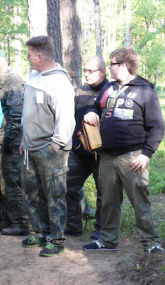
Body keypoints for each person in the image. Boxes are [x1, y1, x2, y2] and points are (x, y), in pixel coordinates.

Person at [82, 47, 165, 253]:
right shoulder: (108, 88)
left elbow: (157, 127)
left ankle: (150, 241)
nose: (109, 68)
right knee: (109, 201)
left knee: (139, 200)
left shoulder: (145, 91)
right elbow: (96, 106)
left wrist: (146, 155)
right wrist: (91, 113)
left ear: (125, 65)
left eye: (112, 64)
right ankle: (108, 240)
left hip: (133, 157)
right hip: (107, 156)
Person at [20, 36, 75, 257]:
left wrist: (56, 145)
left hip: (50, 149)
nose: (28, 57)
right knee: (32, 192)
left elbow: (66, 119)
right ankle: (40, 232)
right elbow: (29, 113)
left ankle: (57, 239)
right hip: (29, 148)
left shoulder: (59, 82)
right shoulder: (34, 76)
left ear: (40, 56)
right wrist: (25, 140)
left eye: (30, 54)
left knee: (54, 193)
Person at [64, 56, 108, 240]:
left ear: (103, 72)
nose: (87, 74)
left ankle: (101, 229)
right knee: (68, 187)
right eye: (86, 71)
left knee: (104, 193)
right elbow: (70, 116)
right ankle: (73, 226)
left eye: (91, 71)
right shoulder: (80, 91)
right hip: (79, 152)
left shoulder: (111, 90)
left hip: (102, 154)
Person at [0, 49, 30, 236]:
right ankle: (6, 219)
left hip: (11, 140)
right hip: (4, 138)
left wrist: (10, 144)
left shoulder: (12, 80)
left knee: (11, 181)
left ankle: (20, 222)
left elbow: (16, 116)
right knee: (3, 182)